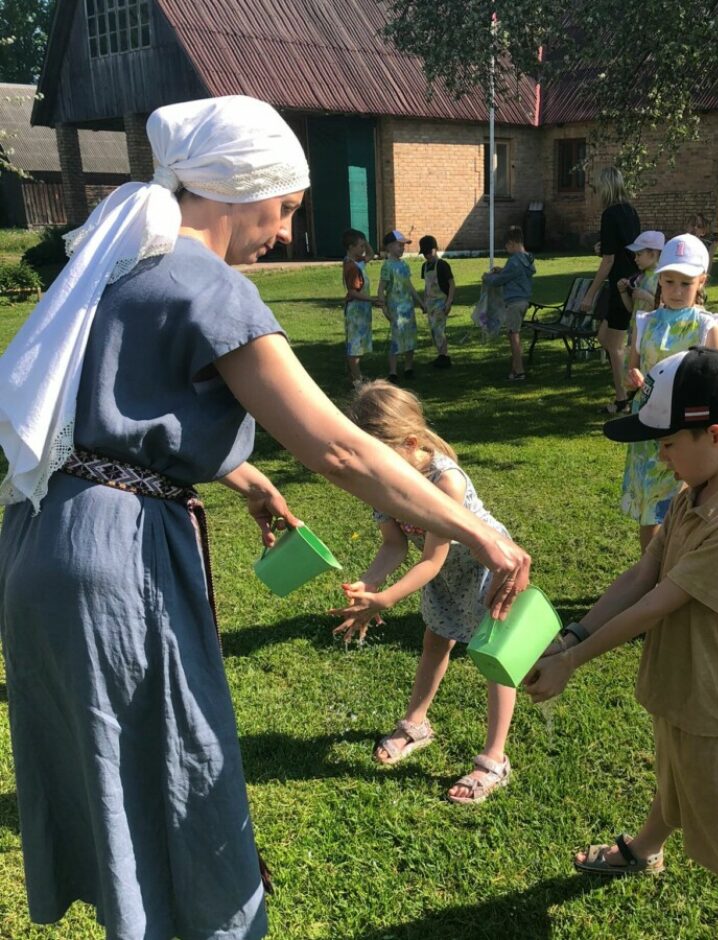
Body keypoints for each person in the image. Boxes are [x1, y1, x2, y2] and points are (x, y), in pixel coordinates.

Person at [0, 95, 530, 940]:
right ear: (240, 190)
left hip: (42, 538)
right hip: (115, 558)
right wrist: (477, 530)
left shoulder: (118, 266)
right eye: (284, 208)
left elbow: (111, 414)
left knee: (107, 765)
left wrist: (242, 477)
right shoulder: (205, 280)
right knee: (176, 763)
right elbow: (343, 449)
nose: (284, 233)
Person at [526, 348, 718, 940]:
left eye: (668, 444)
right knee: (673, 780)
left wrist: (571, 662)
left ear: (717, 435)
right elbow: (640, 576)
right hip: (679, 688)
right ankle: (645, 849)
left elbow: (657, 604)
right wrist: (571, 634)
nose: (661, 456)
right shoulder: (693, 495)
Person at [334, 380, 517, 803]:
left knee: (494, 659)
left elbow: (432, 559)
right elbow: (394, 544)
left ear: (410, 442)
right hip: (443, 575)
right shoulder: (383, 479)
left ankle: (494, 757)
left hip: (484, 569)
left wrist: (387, 599)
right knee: (435, 643)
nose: (369, 466)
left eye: (375, 454)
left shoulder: (444, 481)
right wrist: (371, 581)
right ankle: (416, 724)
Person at [621, 234, 718, 551]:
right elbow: (631, 372)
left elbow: (715, 381)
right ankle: (650, 571)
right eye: (670, 282)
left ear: (701, 282)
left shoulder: (706, 326)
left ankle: (680, 570)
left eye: (686, 284)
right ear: (659, 281)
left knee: (683, 498)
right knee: (651, 505)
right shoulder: (645, 321)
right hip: (648, 422)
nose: (677, 291)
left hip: (688, 425)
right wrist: (632, 378)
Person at [579, 166, 641, 413]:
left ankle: (623, 400)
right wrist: (603, 246)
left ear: (605, 188)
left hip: (620, 286)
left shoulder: (610, 213)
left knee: (614, 345)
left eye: (596, 188)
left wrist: (589, 294)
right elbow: (622, 246)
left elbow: (609, 260)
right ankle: (629, 388)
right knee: (604, 338)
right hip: (629, 281)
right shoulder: (630, 211)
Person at [481, 225, 536, 381]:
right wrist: (503, 270)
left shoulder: (514, 261)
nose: (506, 249)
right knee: (513, 333)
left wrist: (487, 277)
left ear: (512, 243)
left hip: (514, 302)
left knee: (514, 335)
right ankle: (514, 369)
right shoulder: (527, 258)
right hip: (524, 301)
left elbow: (500, 281)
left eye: (506, 246)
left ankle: (519, 371)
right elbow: (513, 274)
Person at [378, 229, 425, 382]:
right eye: (399, 245)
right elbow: (381, 289)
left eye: (403, 246)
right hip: (395, 309)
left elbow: (409, 286)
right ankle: (393, 372)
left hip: (408, 308)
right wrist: (384, 308)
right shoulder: (387, 266)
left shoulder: (404, 265)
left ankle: (408, 367)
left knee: (410, 338)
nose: (402, 248)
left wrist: (420, 302)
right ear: (389, 247)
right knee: (396, 339)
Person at [341, 228, 383, 385]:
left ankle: (354, 374)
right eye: (360, 246)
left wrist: (366, 242)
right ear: (351, 247)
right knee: (355, 345)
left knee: (359, 344)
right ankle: (357, 379)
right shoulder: (351, 267)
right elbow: (353, 292)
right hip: (356, 311)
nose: (363, 249)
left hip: (362, 310)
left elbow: (371, 255)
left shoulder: (358, 260)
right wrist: (372, 299)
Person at [418, 234, 455, 369]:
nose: (427, 256)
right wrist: (424, 302)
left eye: (429, 252)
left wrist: (449, 302)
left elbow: (451, 284)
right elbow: (427, 286)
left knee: (439, 330)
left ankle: (444, 356)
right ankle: (440, 355)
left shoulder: (443, 265)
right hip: (430, 303)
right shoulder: (425, 267)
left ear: (435, 249)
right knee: (433, 330)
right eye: (424, 253)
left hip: (441, 302)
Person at [616, 230, 664, 315]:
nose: (635, 259)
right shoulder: (640, 278)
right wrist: (623, 291)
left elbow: (664, 310)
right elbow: (632, 309)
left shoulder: (663, 279)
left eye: (639, 254)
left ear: (652, 254)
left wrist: (645, 296)